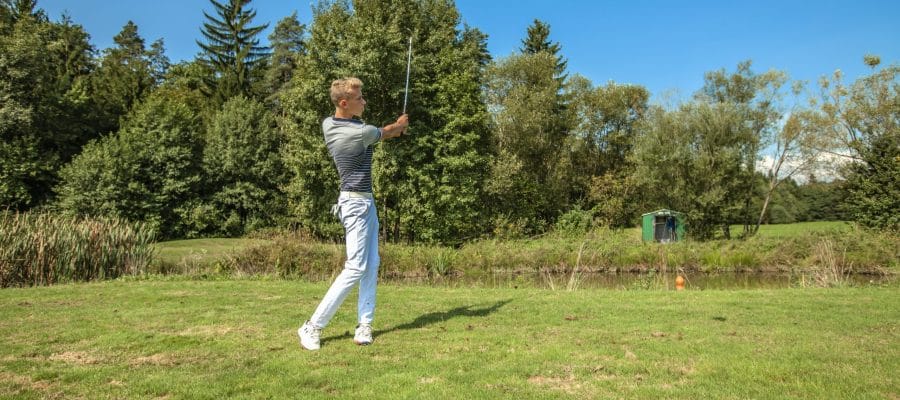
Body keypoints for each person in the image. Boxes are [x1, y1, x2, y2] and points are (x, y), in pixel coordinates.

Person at [298, 77, 408, 350]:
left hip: (365, 202)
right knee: (356, 266)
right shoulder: (361, 133)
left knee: (372, 265)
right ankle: (312, 326)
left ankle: (364, 326)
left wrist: (394, 128)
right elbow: (390, 131)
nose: (365, 101)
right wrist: (401, 125)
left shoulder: (329, 124)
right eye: (359, 99)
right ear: (344, 104)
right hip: (355, 204)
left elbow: (378, 130)